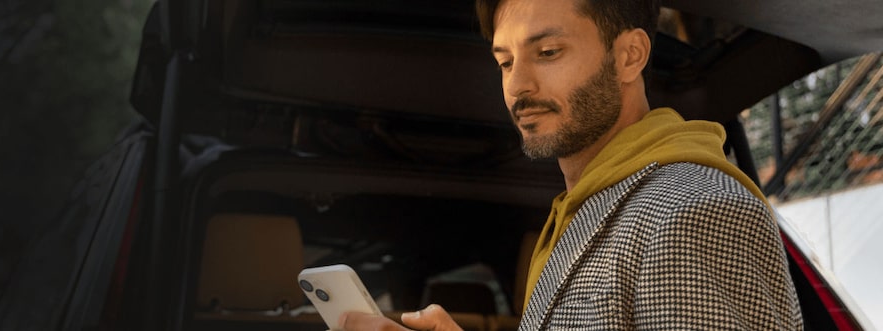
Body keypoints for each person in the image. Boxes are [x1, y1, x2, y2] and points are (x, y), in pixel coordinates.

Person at [343, 0, 803, 329]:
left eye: (547, 53)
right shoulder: (580, 216)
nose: (517, 86)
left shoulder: (690, 213)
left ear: (630, 56)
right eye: (504, 63)